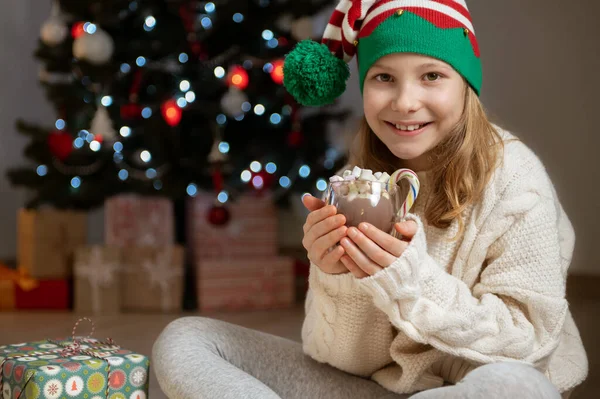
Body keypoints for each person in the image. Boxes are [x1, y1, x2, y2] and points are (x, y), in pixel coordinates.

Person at [152, 1, 588, 398]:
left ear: (465, 84)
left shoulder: (515, 179)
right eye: (384, 78)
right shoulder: (355, 185)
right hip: (374, 389)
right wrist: (336, 276)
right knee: (188, 339)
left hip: (470, 385)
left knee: (515, 388)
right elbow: (341, 363)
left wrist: (408, 279)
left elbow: (527, 345)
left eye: (432, 75)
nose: (405, 102)